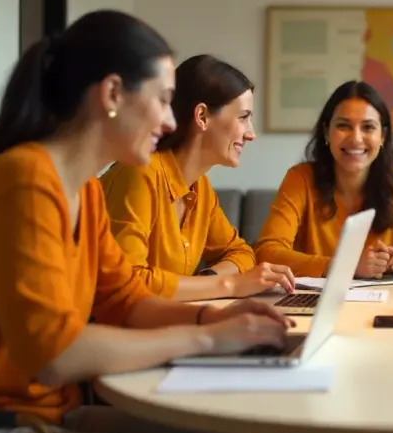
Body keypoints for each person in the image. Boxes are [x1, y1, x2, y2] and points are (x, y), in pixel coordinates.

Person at [0, 10, 289, 433]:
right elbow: (55, 356)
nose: (170, 121)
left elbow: (123, 300)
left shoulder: (85, 189)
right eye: (163, 100)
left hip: (44, 412)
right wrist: (205, 338)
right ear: (111, 93)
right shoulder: (25, 180)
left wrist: (214, 317)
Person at [100, 54, 295, 302]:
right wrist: (229, 285)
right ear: (202, 116)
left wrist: (206, 281)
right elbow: (130, 281)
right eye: (243, 117)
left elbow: (241, 252)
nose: (251, 134)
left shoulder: (199, 187)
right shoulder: (139, 174)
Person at [254, 80, 393, 279]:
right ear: (326, 132)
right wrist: (344, 266)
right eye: (343, 126)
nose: (356, 138)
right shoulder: (300, 179)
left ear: (383, 136)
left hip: (386, 306)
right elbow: (266, 253)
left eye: (368, 127)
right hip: (314, 305)